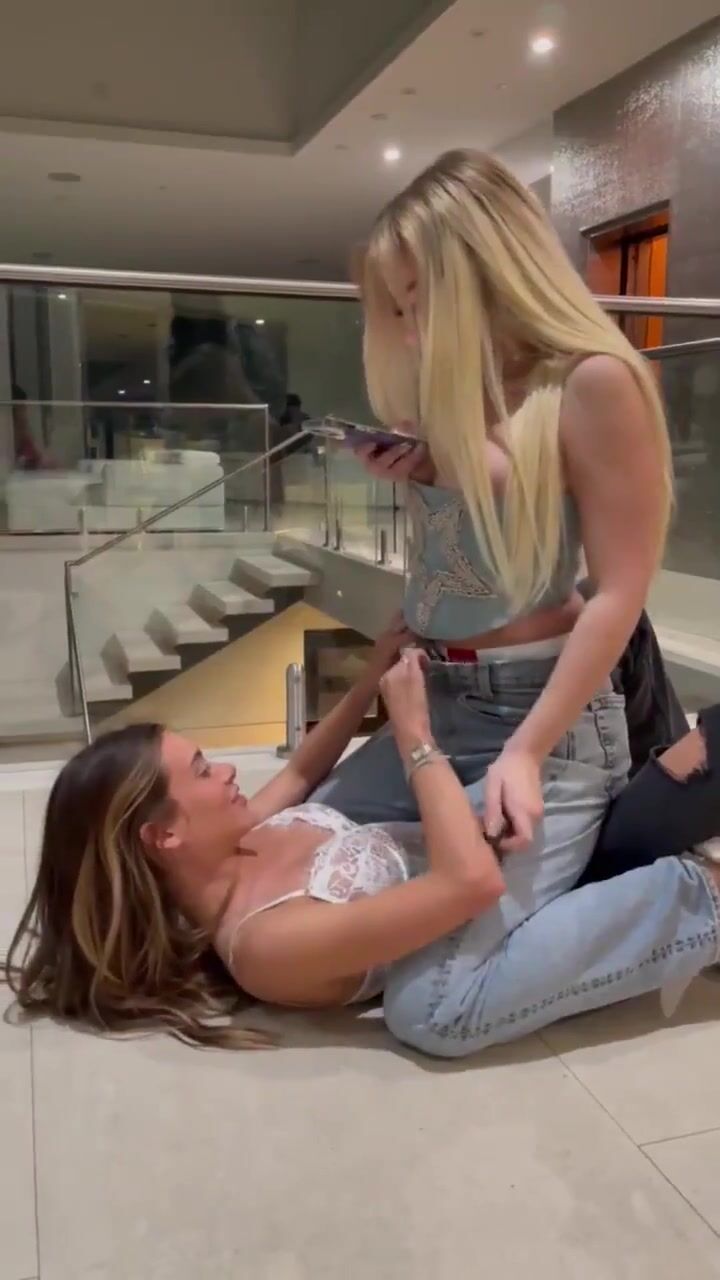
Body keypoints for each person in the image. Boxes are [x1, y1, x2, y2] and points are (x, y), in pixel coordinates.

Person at [5, 621, 720, 1056]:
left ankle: (599, 653)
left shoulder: (237, 843)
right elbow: (469, 884)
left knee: (351, 786)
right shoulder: (266, 944)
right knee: (433, 1013)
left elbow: (301, 771)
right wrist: (411, 735)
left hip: (465, 820)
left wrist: (374, 675)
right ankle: (704, 889)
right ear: (163, 835)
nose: (225, 770)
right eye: (201, 770)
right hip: (474, 863)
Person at [311, 148, 672, 896]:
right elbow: (478, 542)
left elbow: (619, 592)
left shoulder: (592, 381)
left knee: (434, 952)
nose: (411, 331)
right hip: (437, 696)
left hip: (536, 709)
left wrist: (528, 750)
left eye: (418, 300)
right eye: (398, 308)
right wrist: (424, 470)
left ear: (486, 268)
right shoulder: (460, 387)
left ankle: (689, 899)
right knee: (299, 872)